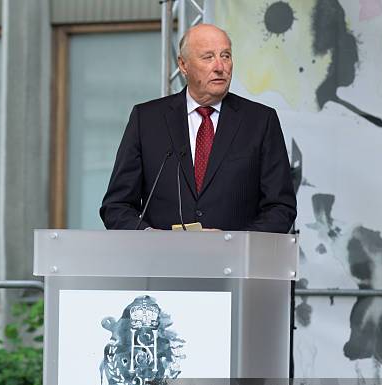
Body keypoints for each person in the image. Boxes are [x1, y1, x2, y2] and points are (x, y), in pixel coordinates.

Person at [100, 23, 296, 232]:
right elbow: (116, 206)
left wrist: (235, 243)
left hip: (234, 261)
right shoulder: (147, 120)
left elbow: (280, 207)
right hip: (160, 260)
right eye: (208, 57)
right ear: (183, 65)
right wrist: (148, 237)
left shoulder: (260, 121)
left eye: (226, 56)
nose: (220, 67)